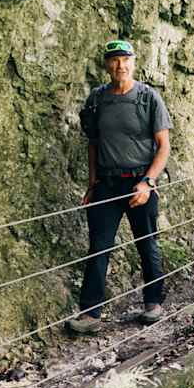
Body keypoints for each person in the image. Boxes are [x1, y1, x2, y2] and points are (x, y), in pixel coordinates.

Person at [66, 39, 172, 334]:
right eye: (114, 60)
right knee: (98, 248)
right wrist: (92, 184)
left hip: (140, 182)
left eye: (125, 59)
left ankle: (153, 302)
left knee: (146, 241)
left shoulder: (148, 97)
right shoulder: (97, 99)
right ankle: (90, 314)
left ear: (133, 62)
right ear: (106, 65)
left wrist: (148, 182)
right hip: (107, 184)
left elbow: (163, 146)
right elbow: (93, 144)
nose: (120, 65)